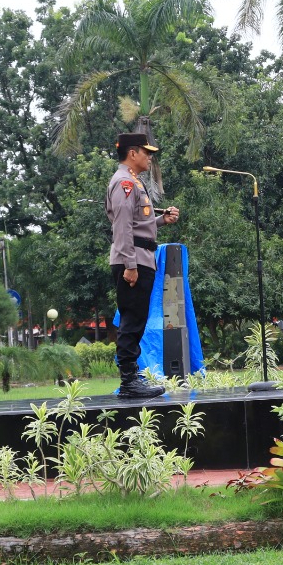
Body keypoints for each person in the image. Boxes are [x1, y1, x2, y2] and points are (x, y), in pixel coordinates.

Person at [106, 132, 180, 399]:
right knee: (131, 320)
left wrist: (162, 221)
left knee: (136, 320)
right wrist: (130, 264)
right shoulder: (125, 183)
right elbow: (122, 226)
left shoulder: (133, 182)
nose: (150, 157)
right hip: (134, 260)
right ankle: (129, 382)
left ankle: (132, 378)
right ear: (132, 153)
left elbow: (139, 225)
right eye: (146, 152)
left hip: (140, 257)